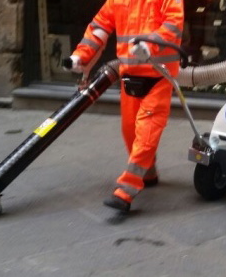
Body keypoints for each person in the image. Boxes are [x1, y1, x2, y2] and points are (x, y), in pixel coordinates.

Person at [64, 0, 184, 212]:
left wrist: (149, 43)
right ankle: (147, 173)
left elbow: (173, 22)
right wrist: (80, 56)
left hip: (159, 74)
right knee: (130, 130)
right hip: (130, 75)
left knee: (147, 130)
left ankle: (127, 189)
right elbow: (99, 26)